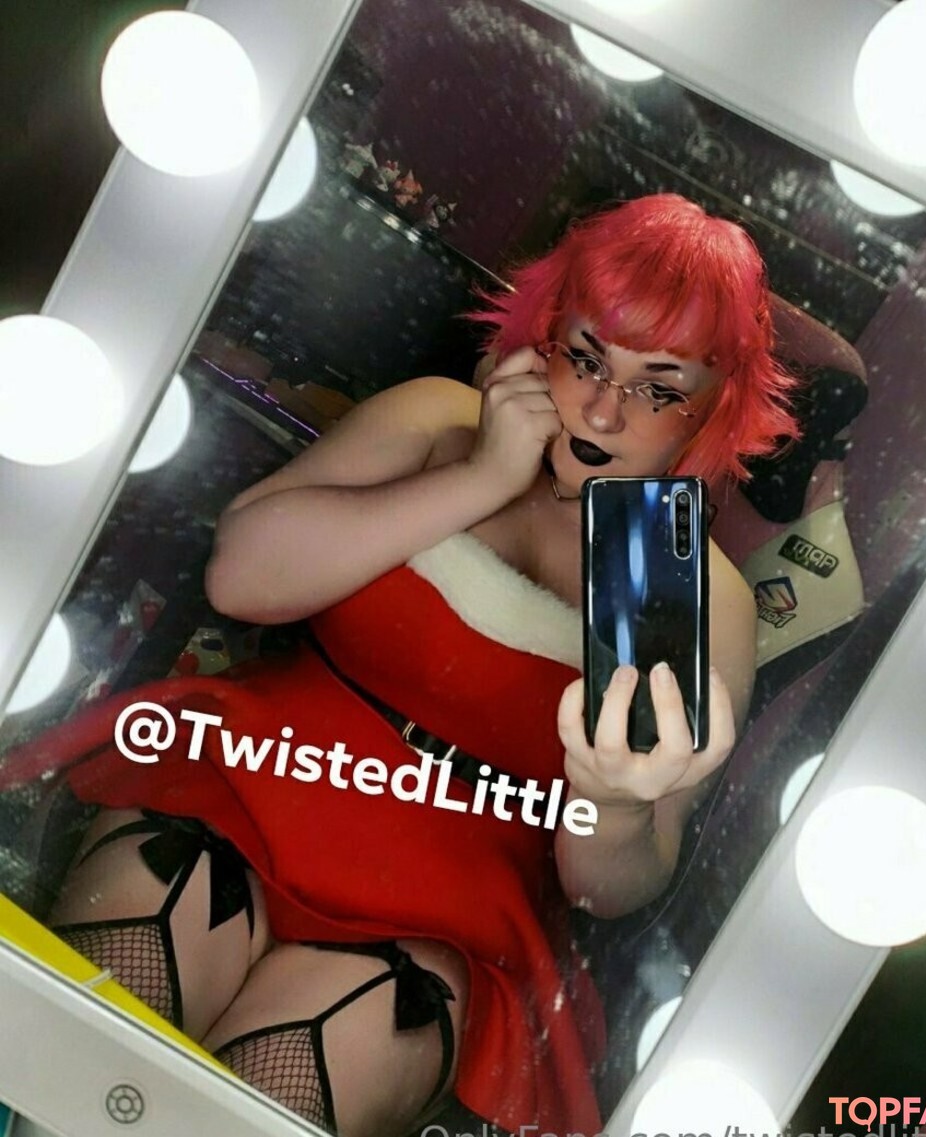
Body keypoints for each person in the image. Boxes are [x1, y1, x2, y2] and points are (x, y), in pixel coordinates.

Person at [4, 194, 800, 1137]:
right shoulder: (441, 421)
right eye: (586, 356)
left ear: (718, 406)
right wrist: (478, 478)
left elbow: (612, 887)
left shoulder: (689, 590)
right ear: (545, 334)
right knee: (63, 1053)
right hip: (250, 775)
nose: (601, 407)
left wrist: (612, 799)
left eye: (659, 388)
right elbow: (241, 576)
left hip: (451, 904)